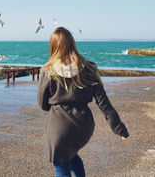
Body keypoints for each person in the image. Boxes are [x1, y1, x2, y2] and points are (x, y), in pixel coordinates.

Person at [37, 27, 129, 177]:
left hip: (59, 129)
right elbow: (104, 103)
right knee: (72, 155)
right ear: (72, 43)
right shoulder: (90, 68)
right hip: (83, 127)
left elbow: (43, 104)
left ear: (53, 46)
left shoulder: (48, 70)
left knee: (61, 165)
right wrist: (120, 129)